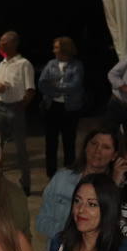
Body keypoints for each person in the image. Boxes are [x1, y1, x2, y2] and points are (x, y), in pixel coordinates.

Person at [35, 126, 118, 244]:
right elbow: (41, 223)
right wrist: (74, 234)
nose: (97, 150)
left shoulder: (117, 187)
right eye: (94, 143)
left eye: (106, 147)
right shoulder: (61, 178)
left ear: (114, 155)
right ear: (85, 147)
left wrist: (115, 185)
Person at [0, 31, 36, 195]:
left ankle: (26, 183)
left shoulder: (24, 64)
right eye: (0, 41)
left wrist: (21, 106)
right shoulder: (2, 64)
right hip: (0, 106)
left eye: (3, 42)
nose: (0, 44)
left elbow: (30, 90)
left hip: (15, 107)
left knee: (20, 148)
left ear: (13, 43)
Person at [39, 37, 86, 178]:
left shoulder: (77, 65)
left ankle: (68, 173)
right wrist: (55, 90)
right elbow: (42, 83)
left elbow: (74, 86)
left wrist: (54, 85)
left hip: (70, 109)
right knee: (51, 142)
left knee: (69, 142)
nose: (54, 50)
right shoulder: (51, 64)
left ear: (65, 49)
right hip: (52, 107)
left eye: (56, 47)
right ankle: (51, 174)